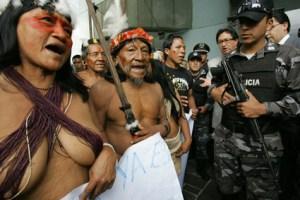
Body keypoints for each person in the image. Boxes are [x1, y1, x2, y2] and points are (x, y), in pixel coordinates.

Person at [0, 1, 117, 199]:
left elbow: (100, 137)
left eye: (67, 29)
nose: (61, 35)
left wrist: (108, 153)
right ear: (13, 26)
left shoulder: (77, 94)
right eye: (46, 20)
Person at [210, 0, 300, 199]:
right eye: (241, 22)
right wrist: (214, 92)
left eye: (251, 22)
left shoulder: (287, 57)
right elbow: (215, 85)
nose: (244, 28)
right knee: (227, 192)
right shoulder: (229, 60)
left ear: (269, 23)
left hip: (263, 145)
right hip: (227, 142)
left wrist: (263, 108)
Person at [89, 28, 170, 156]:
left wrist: (161, 129)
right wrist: (109, 155)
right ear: (115, 59)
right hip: (120, 169)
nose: (140, 57)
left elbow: (165, 123)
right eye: (131, 50)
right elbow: (95, 131)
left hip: (155, 166)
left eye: (144, 50)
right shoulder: (103, 89)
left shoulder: (156, 87)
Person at [151, 60, 192, 175]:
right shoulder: (145, 94)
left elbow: (181, 116)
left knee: (174, 184)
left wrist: (188, 139)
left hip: (175, 149)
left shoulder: (171, 89)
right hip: (158, 151)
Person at [187, 51, 213, 180]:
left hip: (202, 116)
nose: (196, 62)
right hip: (186, 117)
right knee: (187, 141)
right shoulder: (184, 76)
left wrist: (206, 107)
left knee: (202, 144)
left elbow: (212, 96)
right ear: (188, 62)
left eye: (198, 60)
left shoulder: (206, 77)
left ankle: (202, 168)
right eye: (193, 60)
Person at [209, 27, 239, 129]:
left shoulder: (244, 61)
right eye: (220, 42)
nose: (223, 44)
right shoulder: (219, 64)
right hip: (221, 119)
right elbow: (213, 84)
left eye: (226, 40)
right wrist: (212, 90)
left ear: (236, 41)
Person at [162, 34, 198, 118]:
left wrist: (193, 109)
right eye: (178, 47)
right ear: (167, 51)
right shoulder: (159, 71)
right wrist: (173, 102)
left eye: (184, 48)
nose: (183, 51)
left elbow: (190, 95)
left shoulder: (187, 73)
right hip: (168, 121)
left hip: (186, 120)